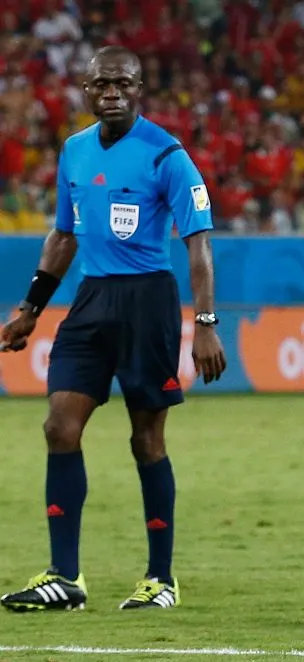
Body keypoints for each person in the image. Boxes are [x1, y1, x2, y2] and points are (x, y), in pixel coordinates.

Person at [0, 46, 227, 613]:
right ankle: (65, 577)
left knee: (145, 439)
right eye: (101, 84)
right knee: (59, 426)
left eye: (122, 84)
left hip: (148, 300)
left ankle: (160, 579)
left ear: (140, 88)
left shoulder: (167, 155)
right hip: (91, 299)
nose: (111, 93)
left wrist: (204, 323)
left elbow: (198, 245)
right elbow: (62, 236)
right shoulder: (74, 152)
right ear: (84, 89)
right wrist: (30, 306)